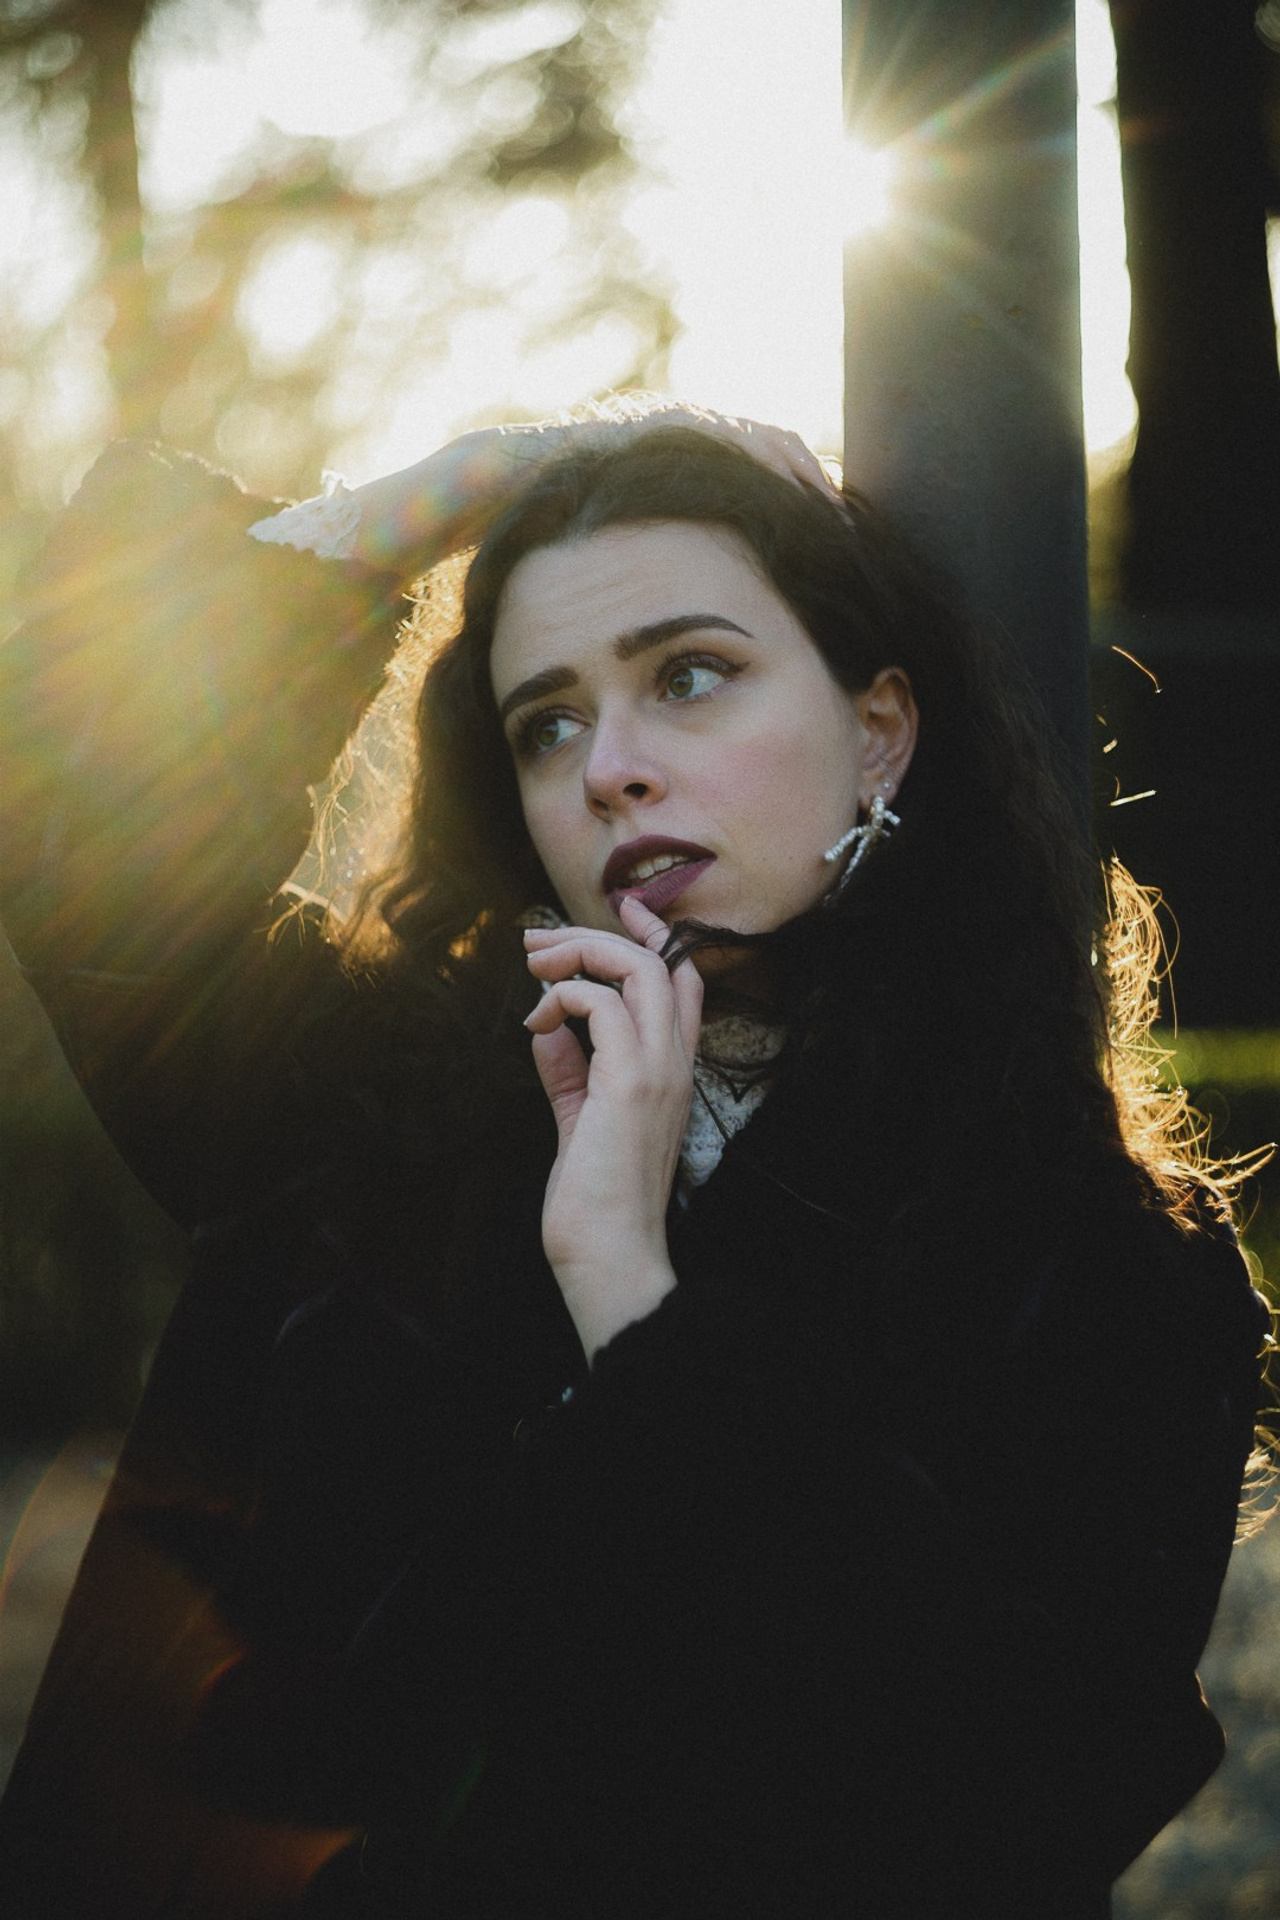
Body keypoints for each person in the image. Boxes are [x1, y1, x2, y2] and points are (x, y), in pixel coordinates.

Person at [0, 406, 1269, 1919]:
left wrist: (632, 1299)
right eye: (545, 722)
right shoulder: (373, 1102)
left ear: (879, 731)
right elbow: (83, 827)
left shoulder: (1108, 1272)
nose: (609, 767)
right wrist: (464, 485)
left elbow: (973, 1816)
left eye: (690, 676)